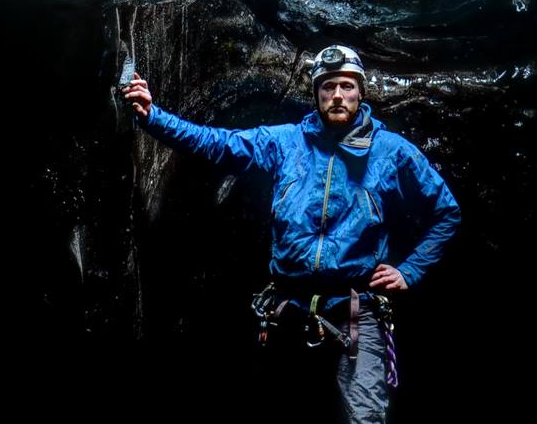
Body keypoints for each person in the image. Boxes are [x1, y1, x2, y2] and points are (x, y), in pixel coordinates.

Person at [121, 45, 460, 422]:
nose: (337, 95)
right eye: (328, 86)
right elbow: (217, 143)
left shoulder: (392, 152)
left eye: (346, 86)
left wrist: (408, 271)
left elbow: (446, 213)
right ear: (316, 93)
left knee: (365, 418)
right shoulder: (286, 143)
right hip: (290, 309)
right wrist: (153, 116)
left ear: (361, 92)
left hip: (356, 310)